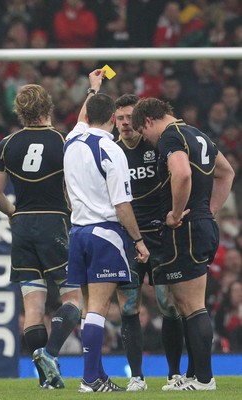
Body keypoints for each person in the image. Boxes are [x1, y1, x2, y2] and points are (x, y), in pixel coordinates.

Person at [132, 97, 235, 390]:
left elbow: (182, 173)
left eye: (144, 132)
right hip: (203, 224)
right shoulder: (198, 135)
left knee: (191, 306)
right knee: (186, 303)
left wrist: (176, 214)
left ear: (149, 121)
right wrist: (210, 209)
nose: (148, 141)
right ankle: (192, 376)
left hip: (186, 227)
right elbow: (227, 172)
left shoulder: (169, 137)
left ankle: (204, 379)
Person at [0, 84, 82, 389]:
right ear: (47, 108)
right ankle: (51, 354)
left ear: (20, 110)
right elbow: (71, 190)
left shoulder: (5, 145)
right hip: (55, 223)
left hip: (23, 227)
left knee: (33, 308)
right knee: (72, 298)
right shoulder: (62, 142)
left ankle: (47, 381)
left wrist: (12, 211)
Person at [63, 69, 149, 393]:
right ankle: (88, 380)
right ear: (114, 117)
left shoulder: (72, 139)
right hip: (105, 233)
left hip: (78, 233)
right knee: (99, 308)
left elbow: (85, 115)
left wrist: (93, 87)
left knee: (89, 310)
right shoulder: (112, 150)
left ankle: (96, 376)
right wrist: (138, 241)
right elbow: (122, 204)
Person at [115, 94, 184, 391]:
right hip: (127, 238)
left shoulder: (156, 145)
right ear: (114, 120)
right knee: (129, 307)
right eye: (120, 118)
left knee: (169, 305)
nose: (126, 123)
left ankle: (174, 374)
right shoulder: (111, 151)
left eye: (130, 117)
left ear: (141, 119)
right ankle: (137, 378)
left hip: (160, 235)